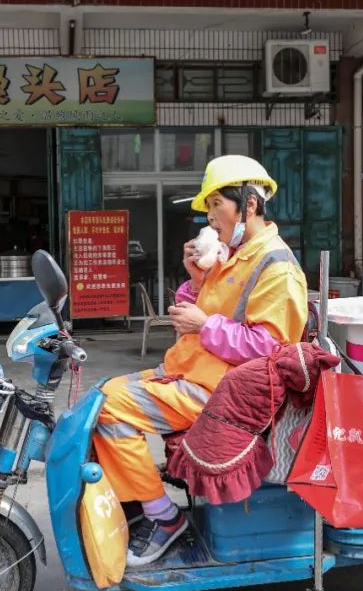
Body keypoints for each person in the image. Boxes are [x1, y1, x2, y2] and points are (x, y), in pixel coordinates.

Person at [92, 155, 309, 567]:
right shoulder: (235, 255)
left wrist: (203, 324)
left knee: (110, 409)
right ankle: (137, 505)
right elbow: (206, 315)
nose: (209, 218)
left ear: (248, 204)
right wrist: (194, 280)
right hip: (189, 373)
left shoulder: (276, 268)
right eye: (207, 209)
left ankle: (162, 517)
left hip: (220, 391)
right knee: (100, 395)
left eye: (215, 206)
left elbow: (270, 348)